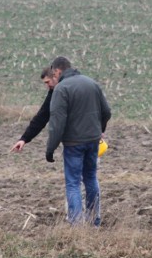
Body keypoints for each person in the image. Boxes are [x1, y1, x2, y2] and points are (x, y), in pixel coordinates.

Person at [45, 56, 111, 226]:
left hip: (73, 144)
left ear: (58, 71)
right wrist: (100, 129)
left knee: (73, 183)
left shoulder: (62, 89)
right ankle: (94, 220)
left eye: (54, 73)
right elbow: (107, 111)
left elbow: (57, 122)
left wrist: (50, 148)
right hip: (93, 141)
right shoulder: (91, 83)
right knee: (91, 178)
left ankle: (76, 225)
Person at [10, 67, 58, 152]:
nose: (47, 86)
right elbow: (41, 117)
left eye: (48, 82)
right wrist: (24, 139)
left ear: (55, 76)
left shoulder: (73, 89)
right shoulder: (53, 94)